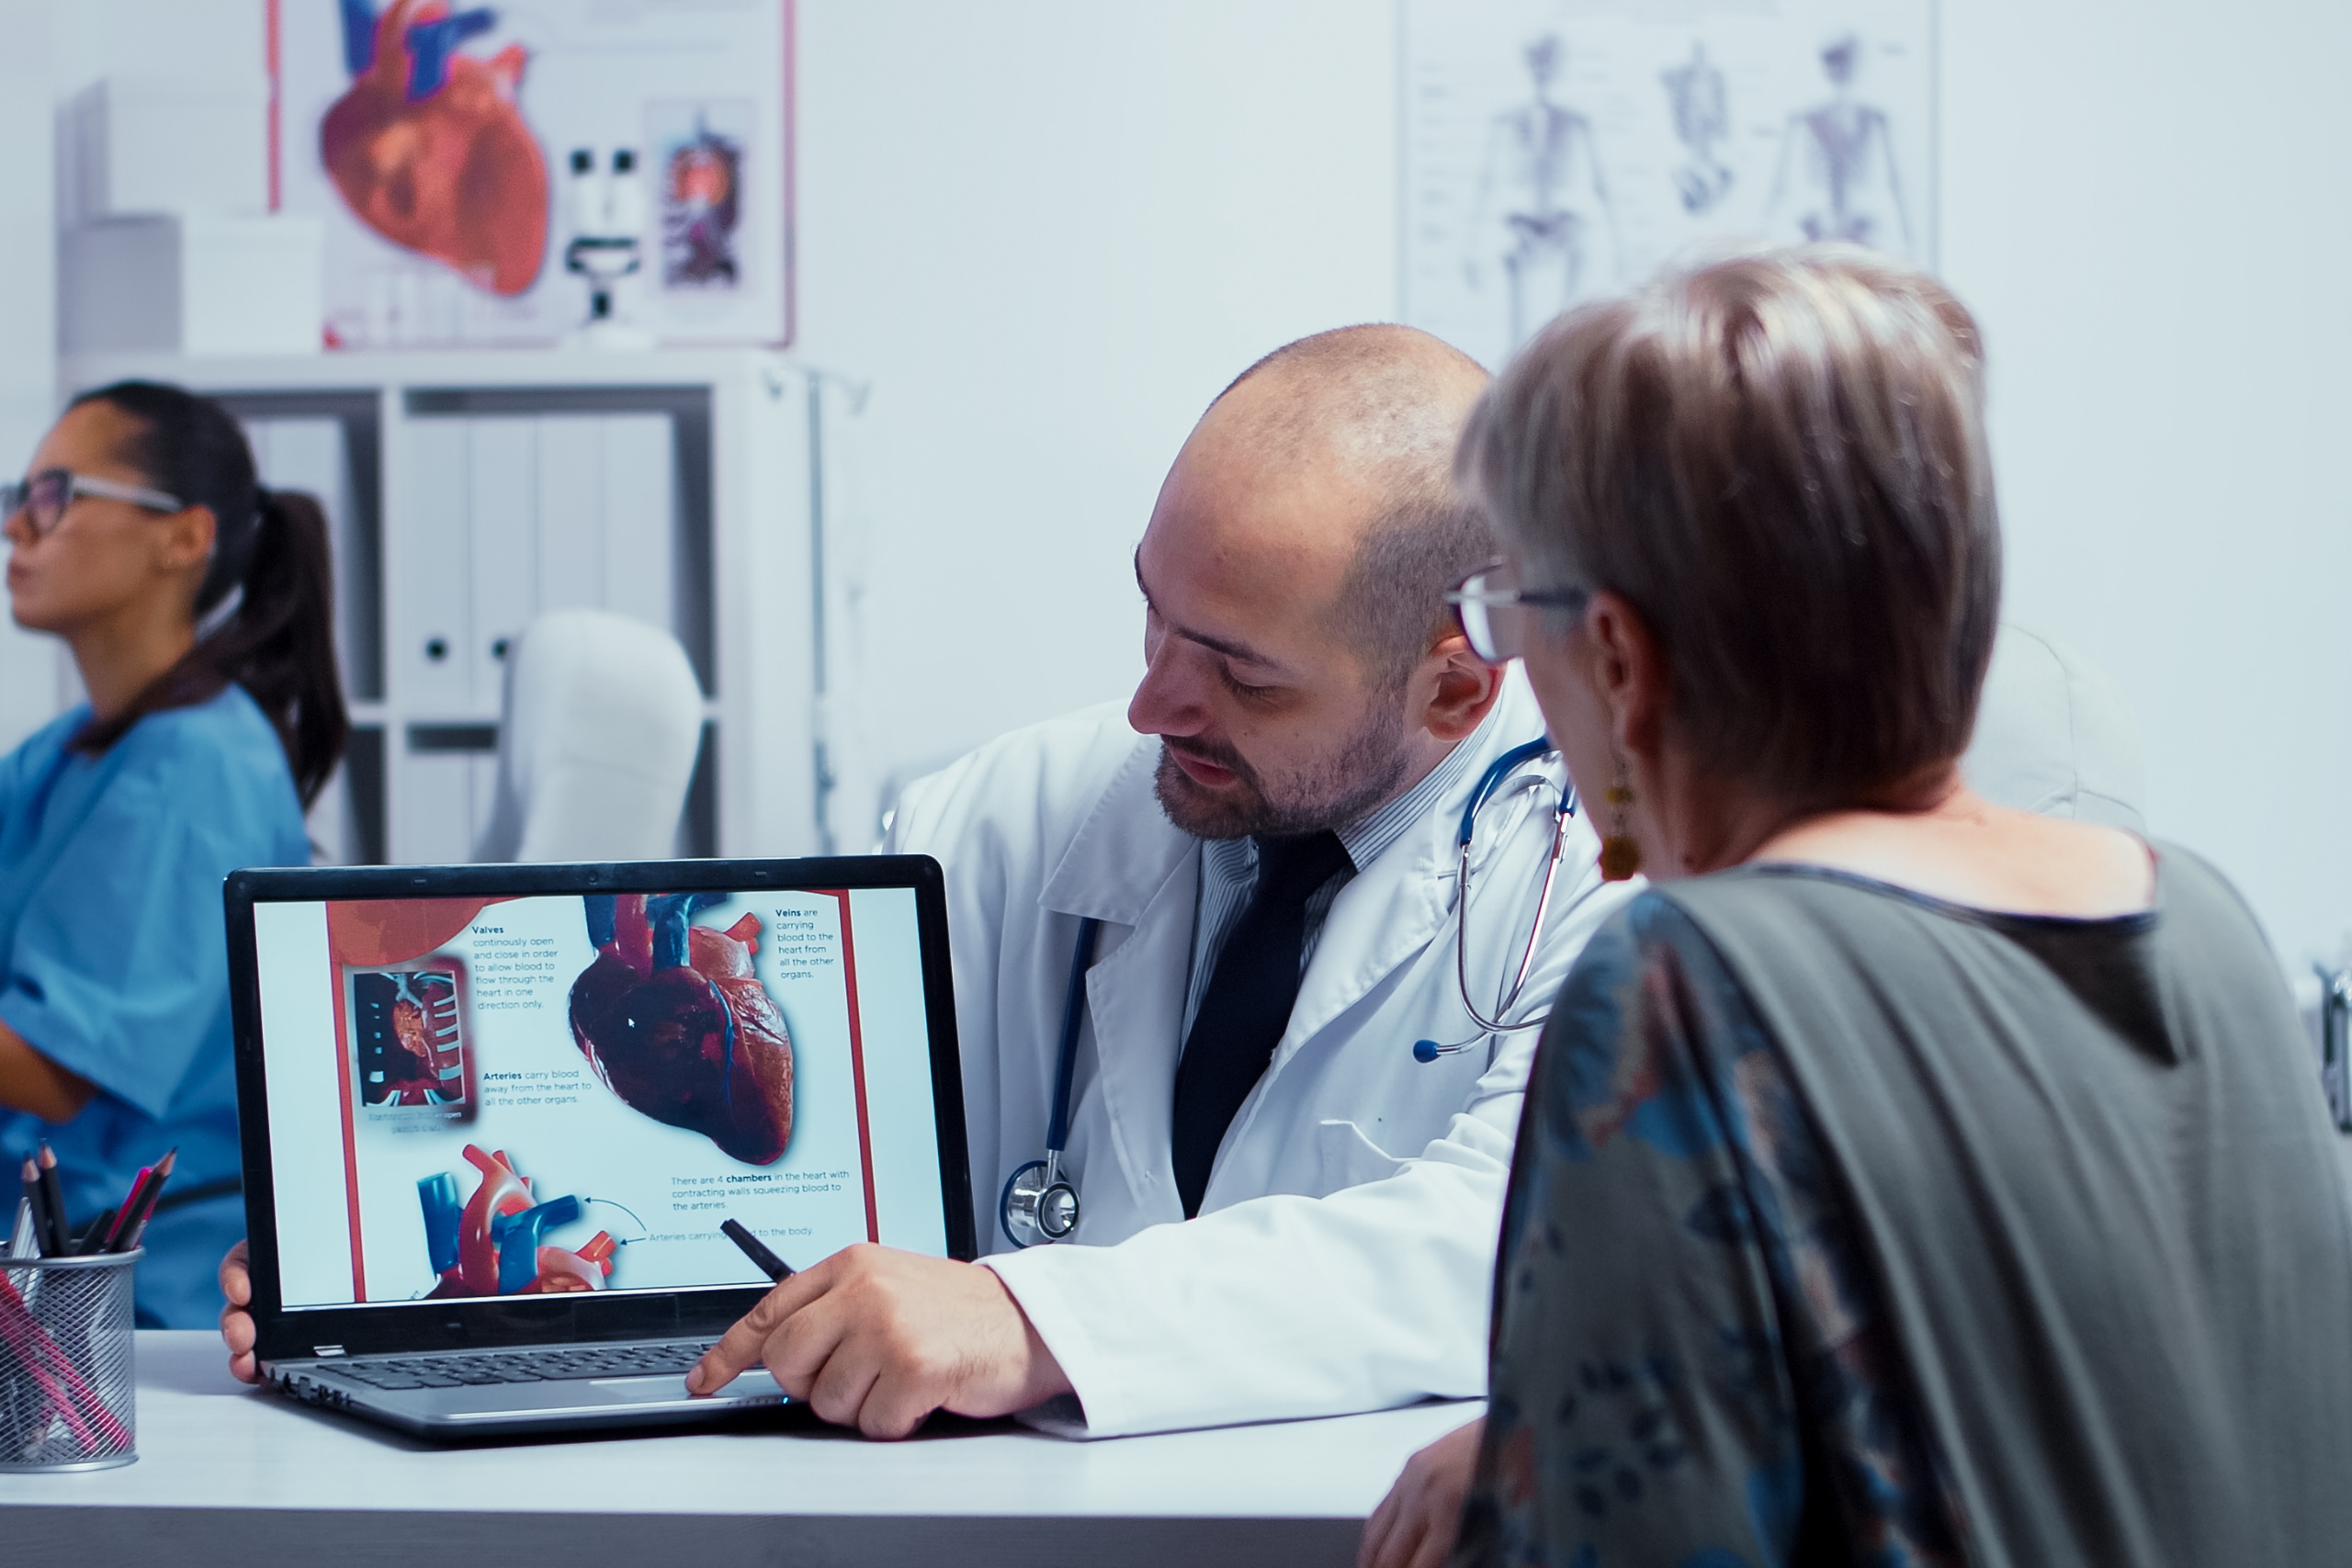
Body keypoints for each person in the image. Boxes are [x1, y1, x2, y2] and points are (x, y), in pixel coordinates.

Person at [207, 324, 1622, 1432]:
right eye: (1153, 613)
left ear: (1453, 684)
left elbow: (1495, 1245)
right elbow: (775, 1152)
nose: (1148, 706)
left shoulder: (1604, 870)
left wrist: (1028, 1316)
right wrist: (396, 1278)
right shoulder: (1015, 808)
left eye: (1239, 672)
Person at [1360, 246, 2352, 1568]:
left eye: (1509, 607)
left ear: (1615, 654)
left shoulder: (1683, 982)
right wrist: (1582, 1392)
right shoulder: (2208, 924)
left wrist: (1556, 1446)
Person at [1, 382, 344, 1327]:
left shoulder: (196, 765)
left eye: (54, 496)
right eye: (17, 500)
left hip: (135, 1298)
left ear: (182, 538)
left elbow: (56, 1066)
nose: (18, 532)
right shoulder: (71, 750)